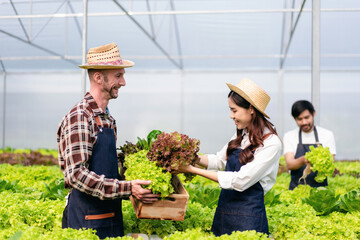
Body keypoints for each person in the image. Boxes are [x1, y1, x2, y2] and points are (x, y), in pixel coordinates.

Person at [57, 43, 159, 239]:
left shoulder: (107, 119)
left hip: (110, 216)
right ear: (98, 77)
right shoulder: (80, 116)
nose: (123, 82)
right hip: (86, 222)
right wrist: (128, 188)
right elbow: (76, 175)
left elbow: (107, 170)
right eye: (118, 76)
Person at [177, 78, 282, 236]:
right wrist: (192, 157)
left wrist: (193, 170)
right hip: (225, 212)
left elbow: (241, 181)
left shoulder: (271, 144)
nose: (231, 116)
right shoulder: (242, 133)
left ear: (251, 109)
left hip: (249, 217)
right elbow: (219, 160)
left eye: (234, 110)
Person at [283, 100, 336, 190]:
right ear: (294, 119)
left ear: (313, 114)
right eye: (299, 119)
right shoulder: (289, 136)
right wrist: (303, 160)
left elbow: (330, 163)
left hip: (320, 191)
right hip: (297, 189)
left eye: (307, 117)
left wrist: (318, 161)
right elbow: (290, 164)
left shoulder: (327, 135)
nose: (304, 122)